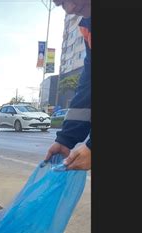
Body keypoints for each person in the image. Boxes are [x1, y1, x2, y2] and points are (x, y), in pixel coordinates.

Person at [45, 0, 91, 170]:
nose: (70, 8)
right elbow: (88, 85)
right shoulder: (87, 28)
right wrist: (65, 139)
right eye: (62, 4)